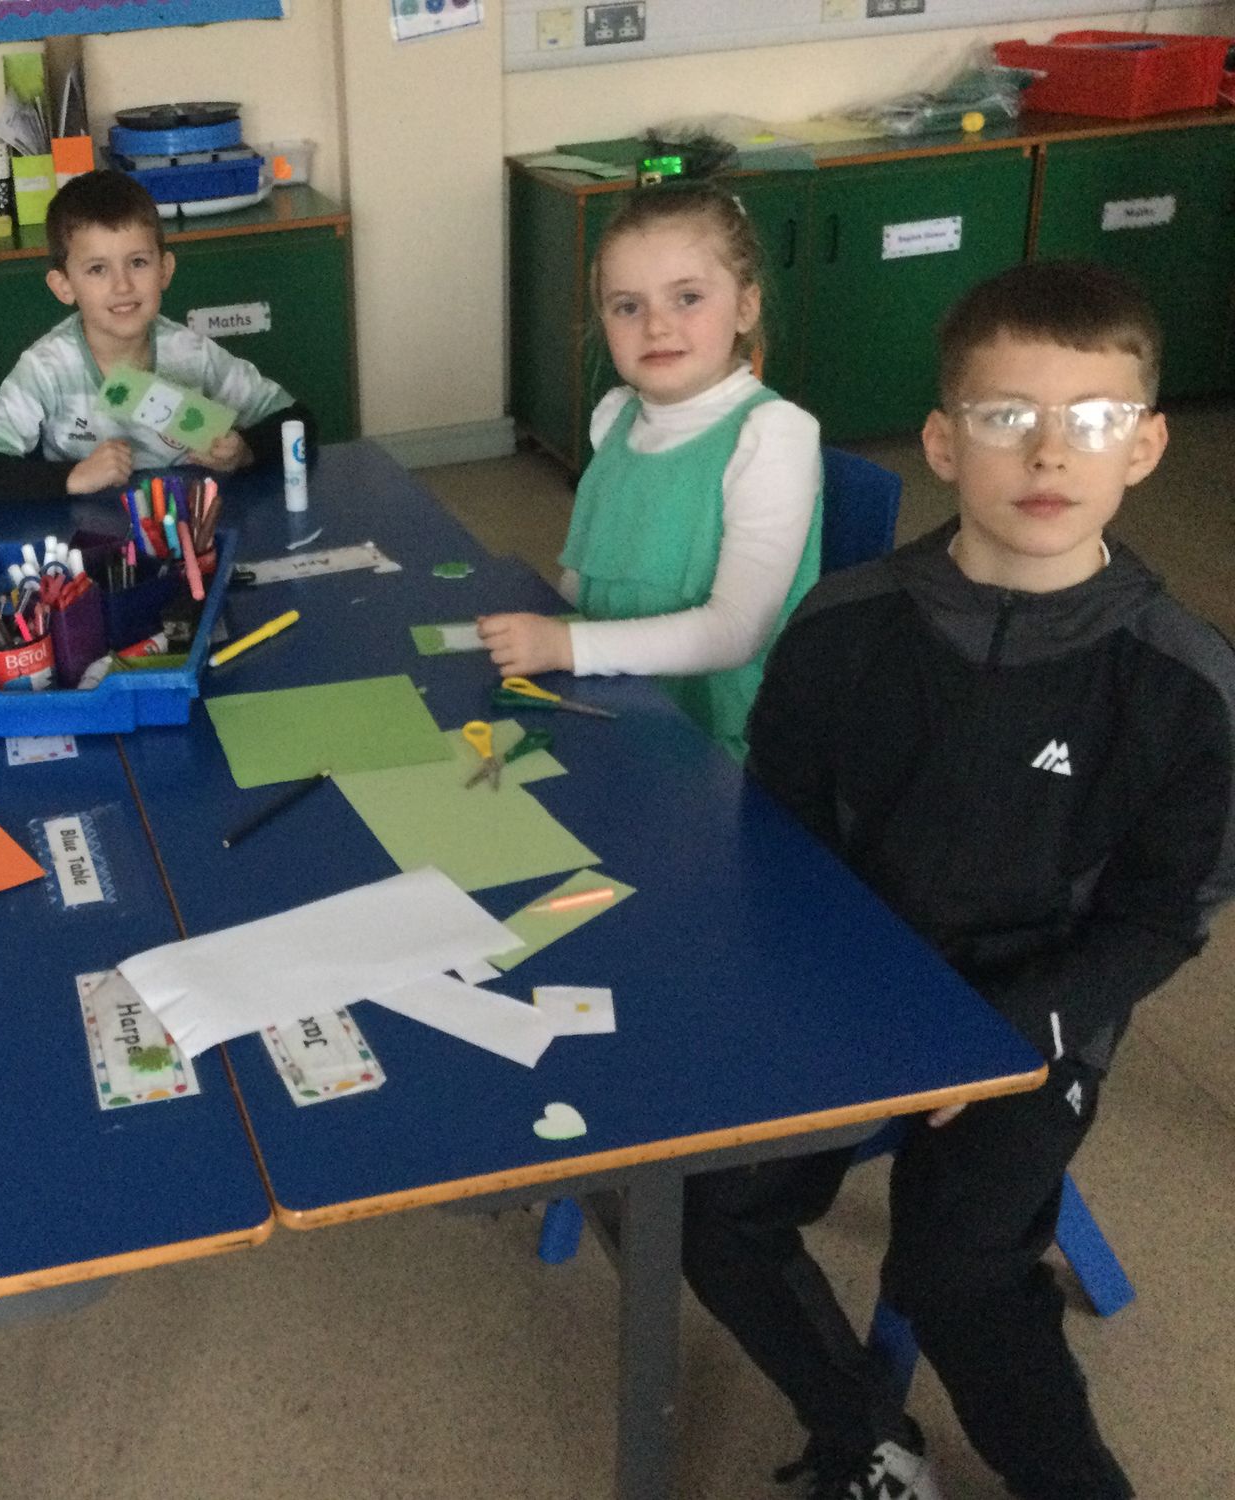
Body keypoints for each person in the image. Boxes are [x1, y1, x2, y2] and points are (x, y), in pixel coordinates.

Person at [684, 261, 1235, 1499]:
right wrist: (835, 1005)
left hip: (1037, 1019)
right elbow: (777, 845)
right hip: (854, 987)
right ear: (942, 442)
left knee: (956, 1273)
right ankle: (864, 1432)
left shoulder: (1180, 682)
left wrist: (1007, 1033)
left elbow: (1161, 917)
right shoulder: (840, 628)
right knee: (709, 1207)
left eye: (1091, 418)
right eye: (1004, 415)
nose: (1048, 451)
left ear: (1144, 446)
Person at [477, 182, 822, 757]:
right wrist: (553, 642)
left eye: (687, 297)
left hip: (719, 749)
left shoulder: (773, 434)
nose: (656, 326)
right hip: (610, 706)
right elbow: (584, 578)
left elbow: (736, 633)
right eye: (628, 307)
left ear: (746, 307)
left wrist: (566, 647)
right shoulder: (614, 418)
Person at [0, 169, 310, 499]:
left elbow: (297, 421)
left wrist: (245, 451)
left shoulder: (192, 355)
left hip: (187, 528)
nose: (122, 286)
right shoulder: (47, 368)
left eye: (138, 262)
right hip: (86, 537)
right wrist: (72, 476)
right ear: (64, 286)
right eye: (97, 269)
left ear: (164, 270)